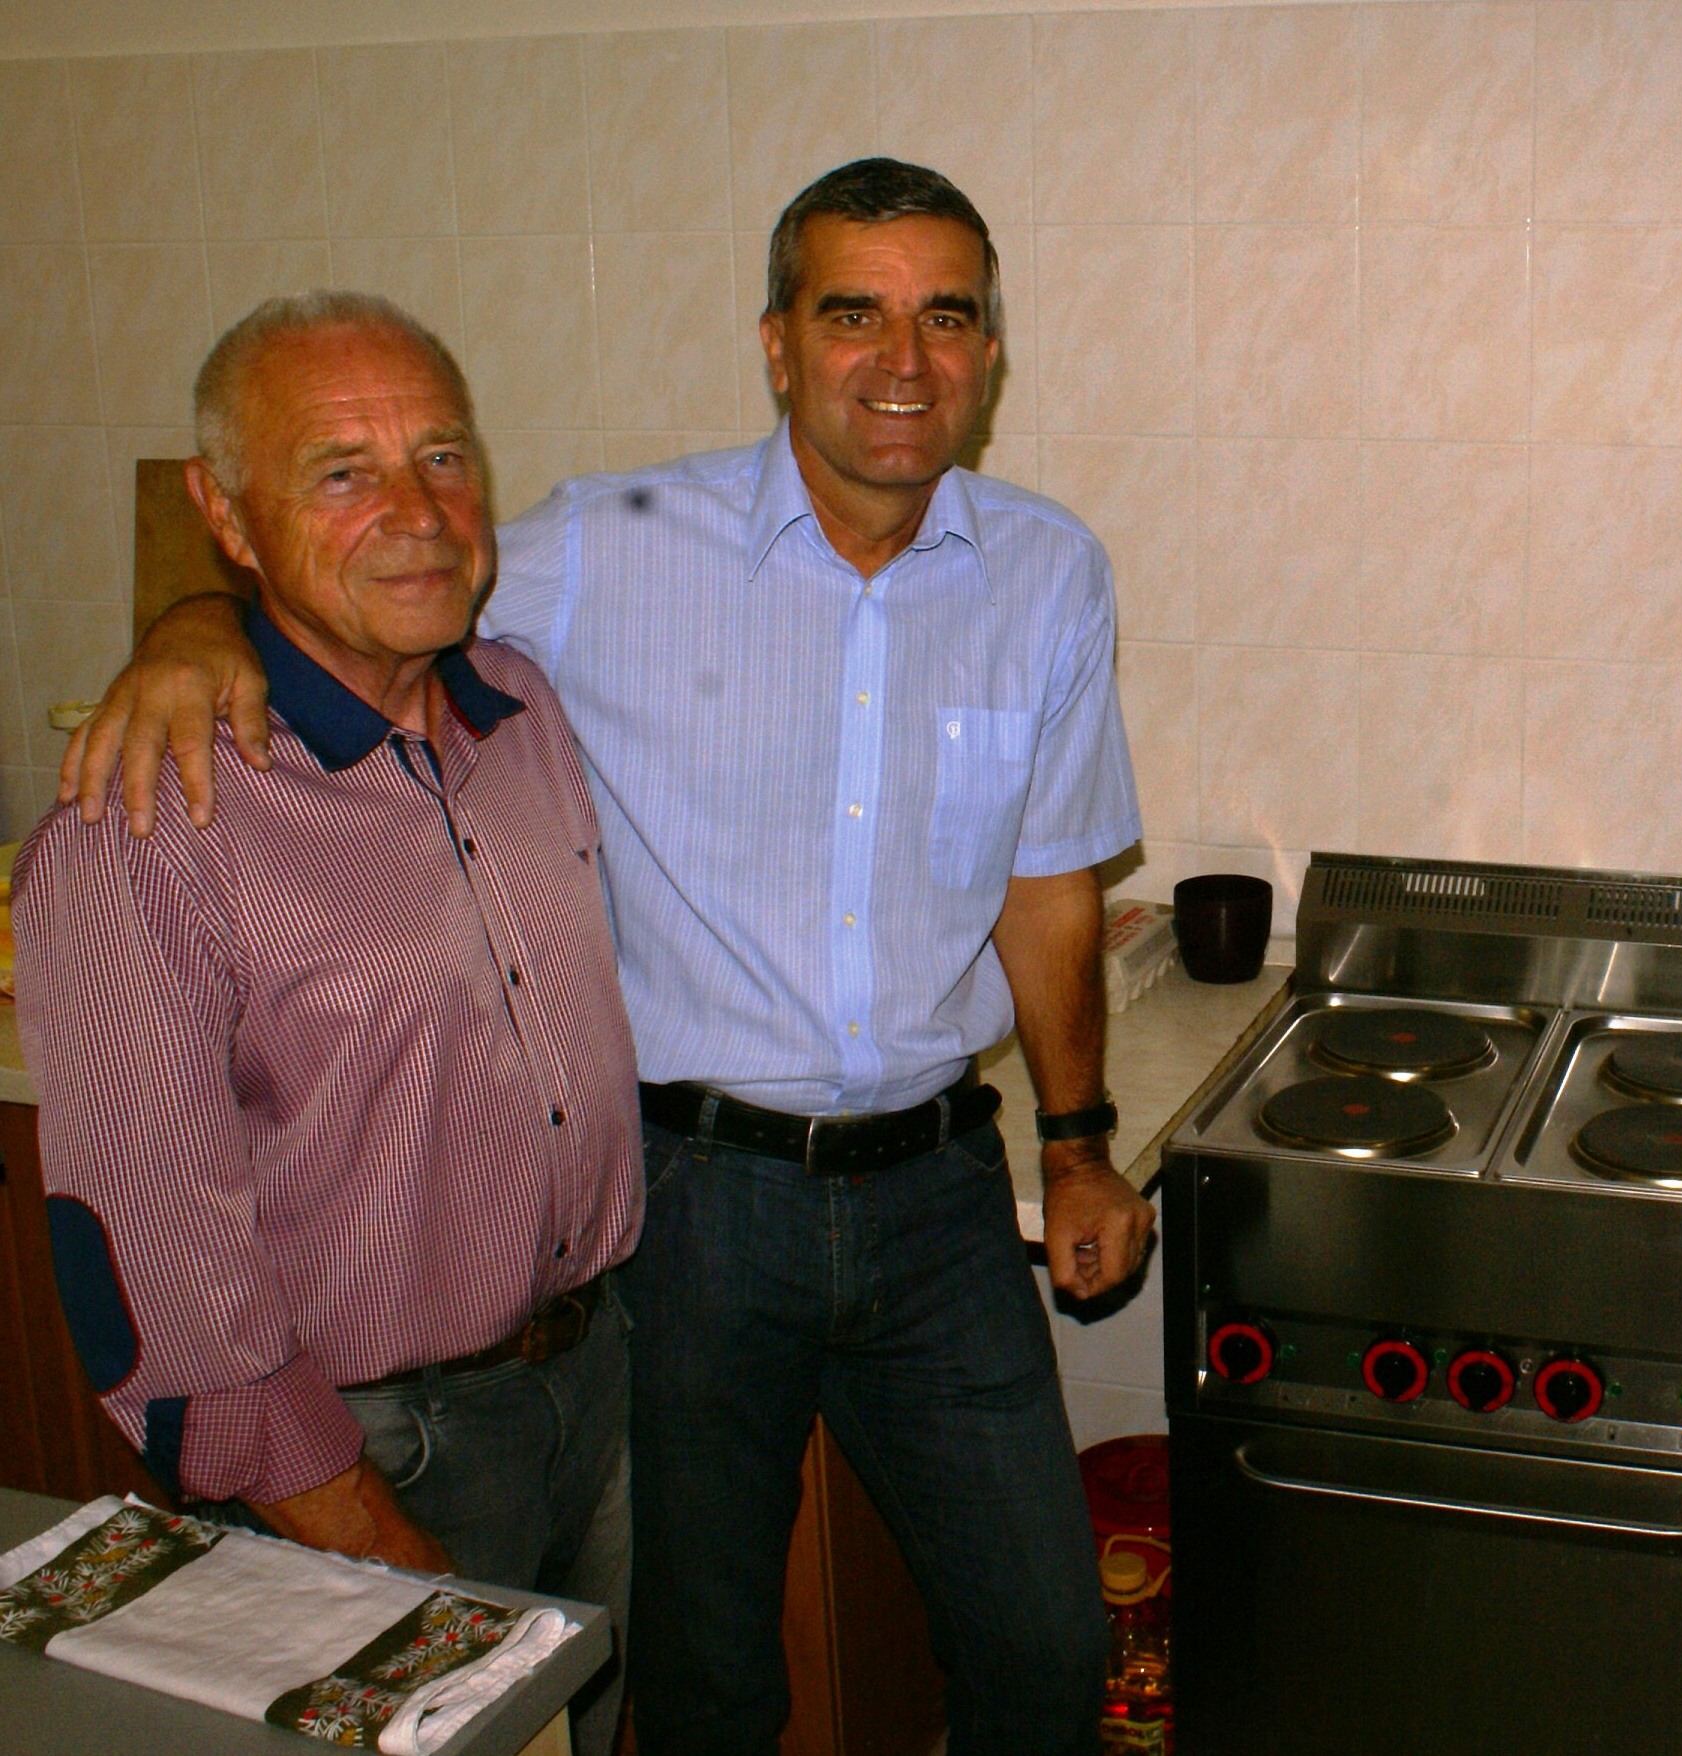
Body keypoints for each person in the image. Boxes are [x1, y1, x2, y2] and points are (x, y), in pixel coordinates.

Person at [63, 160, 1149, 1756]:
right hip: (693, 1206)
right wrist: (189, 628)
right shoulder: (605, 546)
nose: (901, 360)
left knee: (1044, 1647)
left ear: (990, 350)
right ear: (776, 342)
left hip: (935, 1194)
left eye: (945, 316)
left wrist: (1077, 1145)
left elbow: (1044, 889)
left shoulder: (1048, 574)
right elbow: (361, 578)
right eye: (852, 312)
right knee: (702, 1680)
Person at [15, 293, 641, 1752]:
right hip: (378, 1452)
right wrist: (356, 1523)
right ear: (225, 515)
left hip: (595, 1383)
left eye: (443, 456)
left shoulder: (518, 710)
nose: (418, 514)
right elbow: (151, 1260)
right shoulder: (149, 819)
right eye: (342, 473)